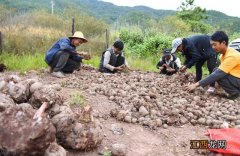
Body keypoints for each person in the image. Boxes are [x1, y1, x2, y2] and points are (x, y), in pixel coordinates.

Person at [186, 31, 240, 100]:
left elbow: (217, 74)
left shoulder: (231, 56)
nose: (213, 47)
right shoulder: (222, 55)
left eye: (215, 45)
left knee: (218, 74)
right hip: (236, 78)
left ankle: (236, 94)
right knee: (217, 71)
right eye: (211, 45)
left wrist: (196, 84)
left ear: (223, 43)